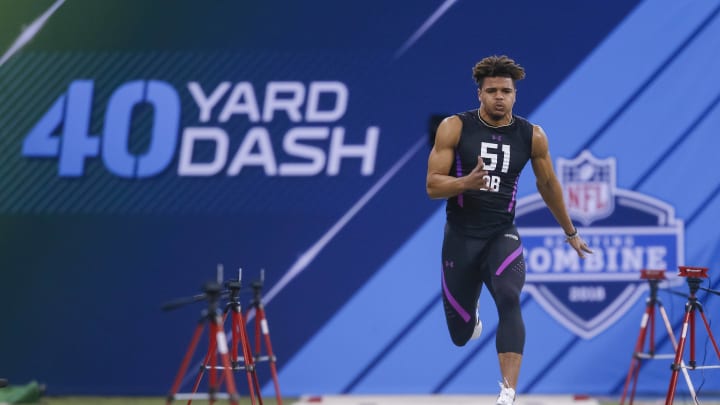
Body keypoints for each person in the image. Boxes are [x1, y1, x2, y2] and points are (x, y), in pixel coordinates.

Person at [425, 55, 592, 405]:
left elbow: (548, 184)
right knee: (459, 334)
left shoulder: (532, 135)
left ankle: (508, 392)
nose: (499, 97)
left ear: (515, 94)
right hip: (460, 238)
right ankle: (470, 321)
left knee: (509, 296)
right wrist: (465, 183)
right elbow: (432, 186)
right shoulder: (454, 127)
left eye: (506, 91)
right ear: (479, 94)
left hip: (502, 233)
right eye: (492, 91)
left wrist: (570, 232)